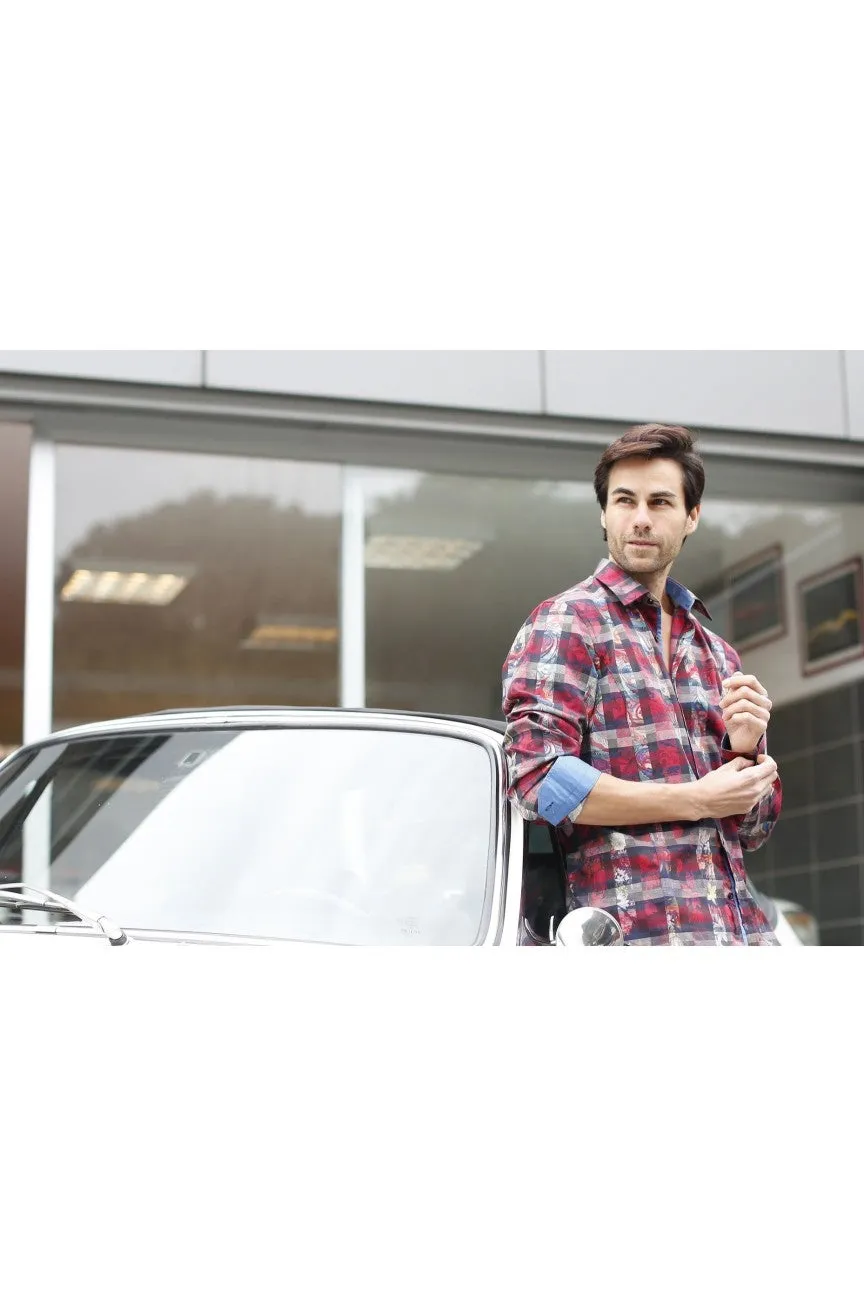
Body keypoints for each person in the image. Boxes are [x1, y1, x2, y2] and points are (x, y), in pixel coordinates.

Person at [502, 423, 782, 946]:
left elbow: (753, 829)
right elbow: (539, 783)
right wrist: (695, 798)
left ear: (691, 516)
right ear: (603, 514)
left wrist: (743, 750)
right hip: (629, 938)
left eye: (660, 502)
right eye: (624, 500)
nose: (640, 519)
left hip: (734, 936)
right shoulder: (567, 623)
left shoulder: (717, 653)